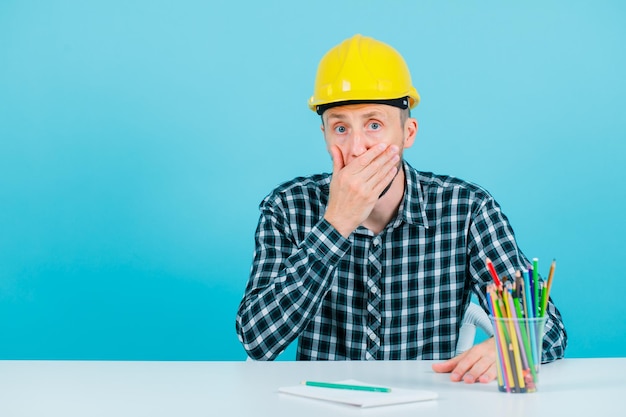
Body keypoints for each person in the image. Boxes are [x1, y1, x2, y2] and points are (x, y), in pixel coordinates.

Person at [235, 34, 567, 383]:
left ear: (408, 133)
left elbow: (550, 330)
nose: (358, 147)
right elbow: (257, 340)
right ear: (325, 135)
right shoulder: (288, 208)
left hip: (429, 401)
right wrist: (335, 225)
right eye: (340, 127)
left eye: (374, 125)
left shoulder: (467, 210)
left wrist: (512, 348)